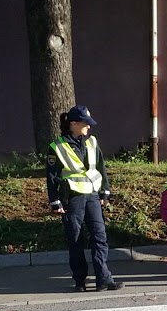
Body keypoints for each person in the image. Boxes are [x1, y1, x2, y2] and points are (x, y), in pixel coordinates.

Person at [46, 105, 124, 292]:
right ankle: (80, 280)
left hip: (92, 196)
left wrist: (105, 191)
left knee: (100, 237)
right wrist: (55, 201)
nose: (89, 127)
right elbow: (51, 176)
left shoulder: (92, 141)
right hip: (73, 198)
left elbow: (100, 167)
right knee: (75, 239)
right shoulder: (57, 146)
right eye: (85, 123)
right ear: (73, 124)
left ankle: (103, 279)